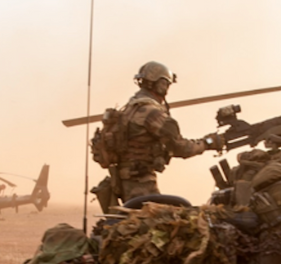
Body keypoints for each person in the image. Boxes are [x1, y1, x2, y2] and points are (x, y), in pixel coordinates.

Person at [94, 61, 224, 204]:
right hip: (141, 183)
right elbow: (181, 148)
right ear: (160, 84)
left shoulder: (129, 109)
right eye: (166, 84)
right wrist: (208, 143)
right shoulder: (151, 113)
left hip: (124, 181)